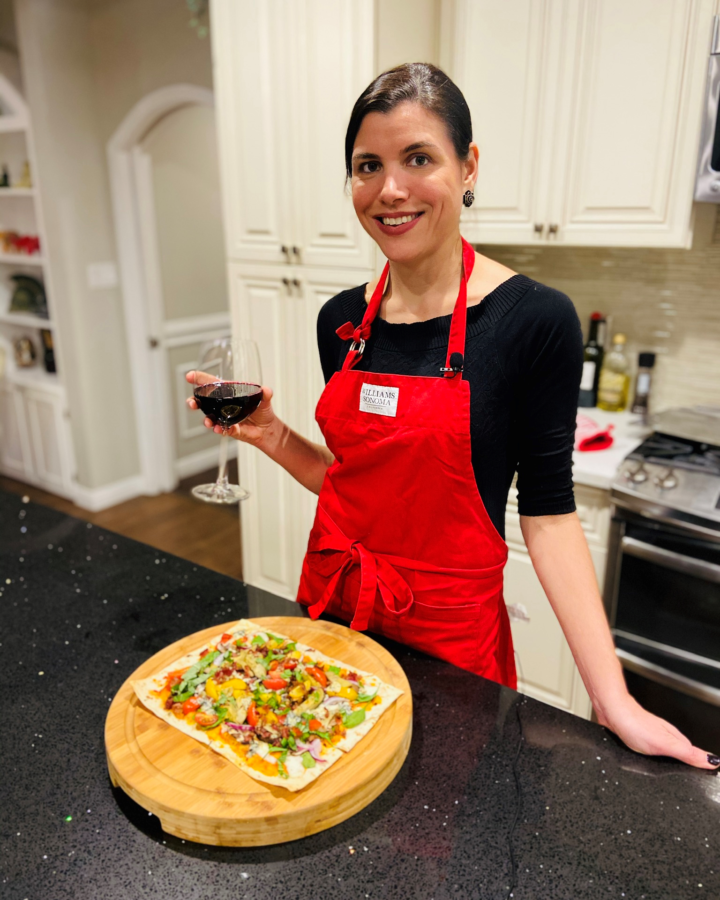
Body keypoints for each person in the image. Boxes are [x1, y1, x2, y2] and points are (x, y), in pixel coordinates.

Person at [188, 63, 719, 770]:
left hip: (450, 647)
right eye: (367, 166)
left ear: (468, 167)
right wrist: (274, 437)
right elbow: (358, 487)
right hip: (333, 616)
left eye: (418, 158)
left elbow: (551, 515)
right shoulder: (341, 321)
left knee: (441, 836)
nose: (390, 190)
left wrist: (613, 701)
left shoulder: (534, 320)